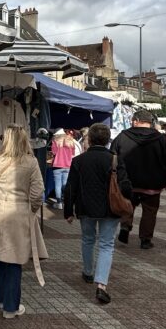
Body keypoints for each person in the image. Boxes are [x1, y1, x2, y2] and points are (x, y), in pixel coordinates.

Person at [0, 125, 47, 318]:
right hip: (18, 212)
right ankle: (10, 307)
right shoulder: (30, 162)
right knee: (14, 260)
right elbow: (37, 191)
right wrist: (32, 208)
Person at [63, 123, 132, 304]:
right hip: (111, 208)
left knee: (87, 239)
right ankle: (101, 284)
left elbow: (70, 187)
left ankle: (87, 272)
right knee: (106, 244)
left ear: (90, 139)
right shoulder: (115, 159)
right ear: (108, 139)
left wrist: (68, 211)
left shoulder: (79, 160)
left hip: (85, 207)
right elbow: (125, 185)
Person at [110, 109, 166, 250]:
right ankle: (145, 239)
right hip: (153, 183)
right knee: (150, 212)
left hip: (128, 181)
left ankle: (125, 226)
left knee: (127, 206)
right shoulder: (161, 139)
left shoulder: (122, 137)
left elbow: (112, 157)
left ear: (135, 121)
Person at [48, 128, 79, 207]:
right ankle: (66, 202)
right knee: (65, 185)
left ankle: (59, 203)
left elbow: (54, 153)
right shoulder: (71, 141)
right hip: (68, 165)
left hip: (57, 165)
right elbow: (73, 154)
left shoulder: (55, 141)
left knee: (58, 185)